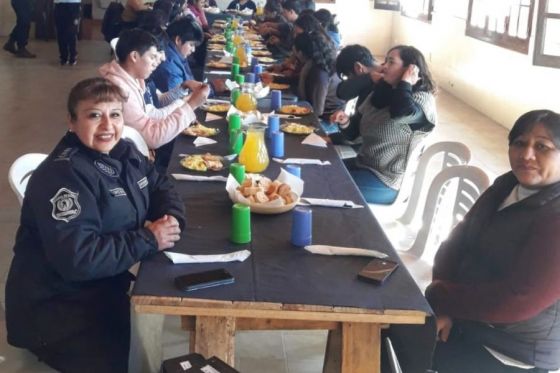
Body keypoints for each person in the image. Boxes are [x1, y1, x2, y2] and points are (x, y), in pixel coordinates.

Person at [4, 77, 186, 372]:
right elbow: (79, 259)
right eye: (94, 115)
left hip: (103, 286)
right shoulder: (63, 176)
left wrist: (171, 217)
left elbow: (159, 185)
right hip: (58, 308)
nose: (107, 125)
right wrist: (148, 239)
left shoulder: (123, 151)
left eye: (114, 114)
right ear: (72, 122)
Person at [426, 109, 560, 373]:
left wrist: (441, 296)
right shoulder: (507, 184)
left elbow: (519, 300)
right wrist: (444, 306)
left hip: (510, 349)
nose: (527, 155)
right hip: (468, 318)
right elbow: (455, 243)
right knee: (388, 335)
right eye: (519, 143)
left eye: (542, 147)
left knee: (393, 351)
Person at [332, 45, 437, 204]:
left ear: (410, 69)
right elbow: (354, 133)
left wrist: (405, 83)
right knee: (321, 172)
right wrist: (345, 122)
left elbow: (402, 112)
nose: (384, 66)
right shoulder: (380, 93)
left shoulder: (421, 99)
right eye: (385, 61)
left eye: (391, 62)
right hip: (363, 164)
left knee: (329, 185)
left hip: (387, 180)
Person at [99, 29, 209, 150]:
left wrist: (183, 88)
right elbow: (152, 137)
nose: (158, 61)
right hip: (135, 154)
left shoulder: (135, 77)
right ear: (134, 56)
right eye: (152, 57)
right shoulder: (120, 90)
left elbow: (158, 101)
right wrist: (190, 104)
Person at [329, 44, 378, 143]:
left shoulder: (375, 89)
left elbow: (343, 92)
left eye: (348, 77)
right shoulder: (367, 84)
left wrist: (333, 138)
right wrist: (345, 121)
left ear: (358, 67)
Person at [292, 31, 344, 118]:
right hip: (319, 111)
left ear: (300, 53)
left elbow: (317, 110)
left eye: (295, 53)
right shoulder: (315, 63)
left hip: (327, 119)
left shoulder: (319, 73)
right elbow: (299, 80)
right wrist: (275, 78)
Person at [152, 16, 203, 92]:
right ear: (178, 40)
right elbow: (178, 100)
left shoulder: (179, 54)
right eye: (191, 45)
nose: (193, 50)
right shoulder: (170, 65)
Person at [53, 0, 81, 66]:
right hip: (60, 4)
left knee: (71, 33)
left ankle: (72, 56)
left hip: (74, 4)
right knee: (61, 33)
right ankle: (63, 57)